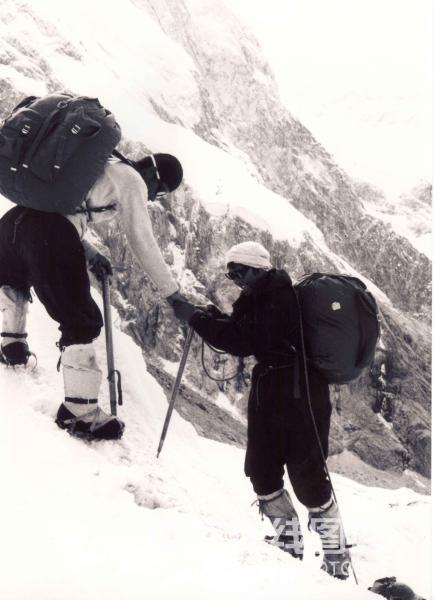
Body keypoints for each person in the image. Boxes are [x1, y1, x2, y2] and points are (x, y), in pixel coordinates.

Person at [171, 240, 351, 579]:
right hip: (275, 392)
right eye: (231, 274)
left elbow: (243, 340)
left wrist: (196, 318)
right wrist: (206, 315)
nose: (236, 279)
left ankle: (336, 559)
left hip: (299, 395)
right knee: (262, 469)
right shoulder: (260, 296)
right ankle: (291, 544)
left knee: (308, 477)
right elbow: (241, 330)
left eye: (240, 272)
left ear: (258, 268)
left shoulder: (279, 297)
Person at [0, 152, 187, 440]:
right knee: (82, 320)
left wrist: (90, 253)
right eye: (159, 192)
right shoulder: (133, 180)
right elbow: (142, 240)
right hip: (48, 233)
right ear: (153, 174)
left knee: (14, 279)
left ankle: (12, 346)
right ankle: (80, 412)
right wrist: (172, 293)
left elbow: (62, 213)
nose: (152, 198)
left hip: (13, 223)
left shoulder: (100, 166)